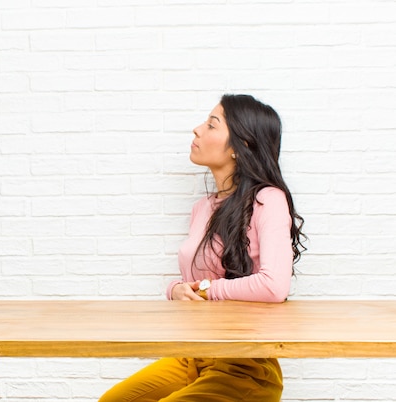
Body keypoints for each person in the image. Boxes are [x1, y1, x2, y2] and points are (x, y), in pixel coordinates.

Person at [98, 94, 306, 402]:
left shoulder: (268, 200)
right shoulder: (202, 208)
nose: (197, 130)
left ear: (240, 147)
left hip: (243, 364)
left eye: (212, 125)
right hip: (192, 354)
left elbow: (274, 286)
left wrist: (208, 290)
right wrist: (176, 290)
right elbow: (196, 280)